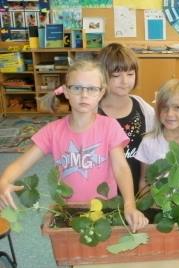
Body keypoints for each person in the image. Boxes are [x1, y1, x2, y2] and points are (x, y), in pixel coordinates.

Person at [0, 59, 148, 232]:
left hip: (105, 210)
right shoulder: (52, 131)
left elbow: (121, 168)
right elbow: (20, 163)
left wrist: (129, 205)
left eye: (92, 89)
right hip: (69, 213)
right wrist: (4, 181)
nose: (84, 95)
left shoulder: (110, 127)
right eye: (77, 88)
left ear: (101, 93)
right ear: (66, 92)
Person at [97, 43, 154, 195]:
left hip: (139, 190)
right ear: (102, 76)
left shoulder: (144, 110)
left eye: (130, 74)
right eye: (116, 75)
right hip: (103, 194)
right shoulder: (94, 113)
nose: (125, 81)